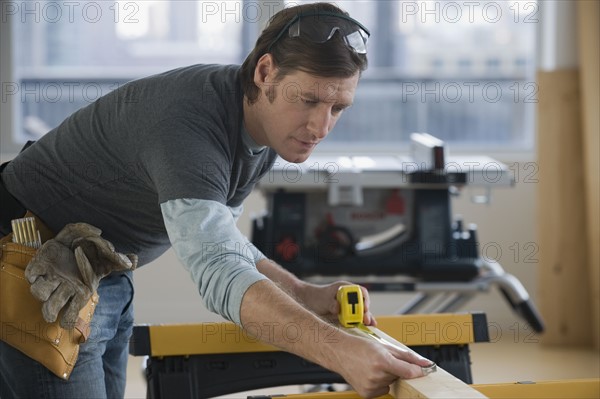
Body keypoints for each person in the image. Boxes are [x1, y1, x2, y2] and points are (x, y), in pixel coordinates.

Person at [0, 2, 432, 398]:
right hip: (32, 259)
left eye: (338, 108)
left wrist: (302, 293)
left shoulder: (263, 130)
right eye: (309, 100)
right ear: (265, 73)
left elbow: (224, 242)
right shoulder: (189, 126)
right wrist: (341, 353)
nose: (320, 126)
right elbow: (217, 270)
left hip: (103, 270)